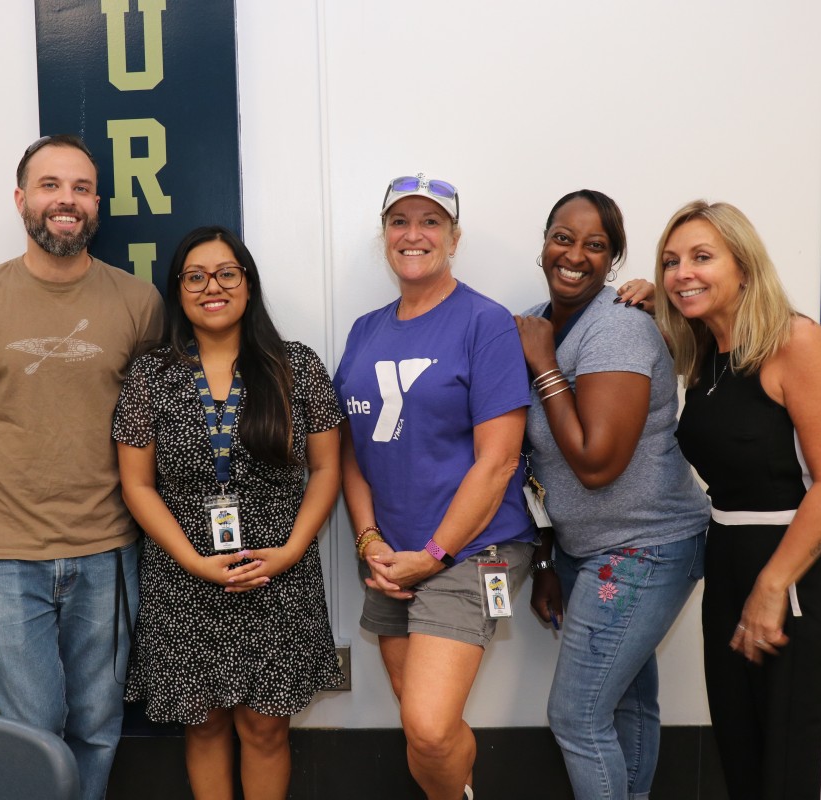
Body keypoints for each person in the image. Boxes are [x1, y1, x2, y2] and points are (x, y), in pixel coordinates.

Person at [0, 134, 164, 799]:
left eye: (82, 188)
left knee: (96, 724)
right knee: (32, 728)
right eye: (50, 186)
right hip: (3, 552)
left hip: (108, 548)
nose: (66, 200)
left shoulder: (137, 302)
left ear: (97, 203)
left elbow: (143, 428)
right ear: (21, 199)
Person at [113, 225, 343, 800]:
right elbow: (137, 485)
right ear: (178, 289)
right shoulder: (151, 374)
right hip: (183, 575)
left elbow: (327, 470)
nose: (210, 286)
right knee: (204, 723)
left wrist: (291, 550)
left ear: (247, 284)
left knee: (266, 727)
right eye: (195, 276)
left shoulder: (296, 366)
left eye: (225, 273)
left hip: (277, 572)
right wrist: (195, 561)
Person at [655, 200, 821, 799]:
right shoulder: (704, 353)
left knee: (801, 772)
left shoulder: (795, 341)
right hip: (727, 561)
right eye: (672, 262)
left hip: (801, 568)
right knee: (745, 763)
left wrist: (773, 585)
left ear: (744, 266)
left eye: (702, 257)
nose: (682, 274)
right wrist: (650, 293)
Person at [335, 174, 535, 800]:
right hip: (391, 553)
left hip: (471, 550)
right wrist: (369, 538)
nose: (413, 234)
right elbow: (351, 449)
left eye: (430, 222)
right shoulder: (366, 330)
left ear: (453, 237)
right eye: (400, 222)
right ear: (385, 235)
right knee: (420, 719)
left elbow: (498, 462)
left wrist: (435, 555)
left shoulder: (485, 322)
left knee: (425, 724)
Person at [514, 190, 709, 800]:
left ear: (614, 259)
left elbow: (596, 464)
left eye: (595, 245)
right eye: (562, 238)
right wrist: (547, 559)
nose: (574, 255)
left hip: (645, 548)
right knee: (626, 702)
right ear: (544, 242)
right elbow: (536, 460)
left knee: (576, 715)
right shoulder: (538, 323)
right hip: (586, 550)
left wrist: (545, 367)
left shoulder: (619, 327)